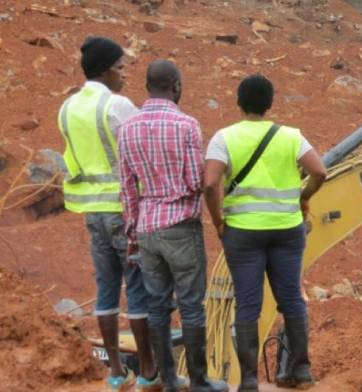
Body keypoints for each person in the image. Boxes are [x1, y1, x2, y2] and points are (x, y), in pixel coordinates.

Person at [204, 74, 327, 392]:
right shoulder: (291, 136)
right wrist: (303, 197)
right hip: (287, 231)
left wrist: (218, 222)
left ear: (238, 102)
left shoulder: (224, 138)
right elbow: (319, 171)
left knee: (247, 304)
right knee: (291, 299)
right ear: (270, 104)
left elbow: (209, 184)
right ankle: (301, 371)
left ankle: (248, 380)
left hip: (243, 234)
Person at [119, 60, 229, 392]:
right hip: (181, 225)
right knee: (191, 304)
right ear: (176, 85)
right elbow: (195, 181)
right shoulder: (187, 125)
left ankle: (167, 379)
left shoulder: (127, 128)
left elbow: (126, 188)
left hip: (146, 228)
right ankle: (198, 380)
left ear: (147, 86)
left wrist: (133, 234)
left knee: (157, 305)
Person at [57, 36, 157, 391]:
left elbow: (73, 158)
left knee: (106, 288)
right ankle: (148, 370)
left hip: (92, 211)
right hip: (124, 209)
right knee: (139, 287)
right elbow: (142, 152)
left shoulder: (67, 108)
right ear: (104, 71)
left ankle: (116, 371)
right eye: (119, 68)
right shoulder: (118, 106)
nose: (124, 75)